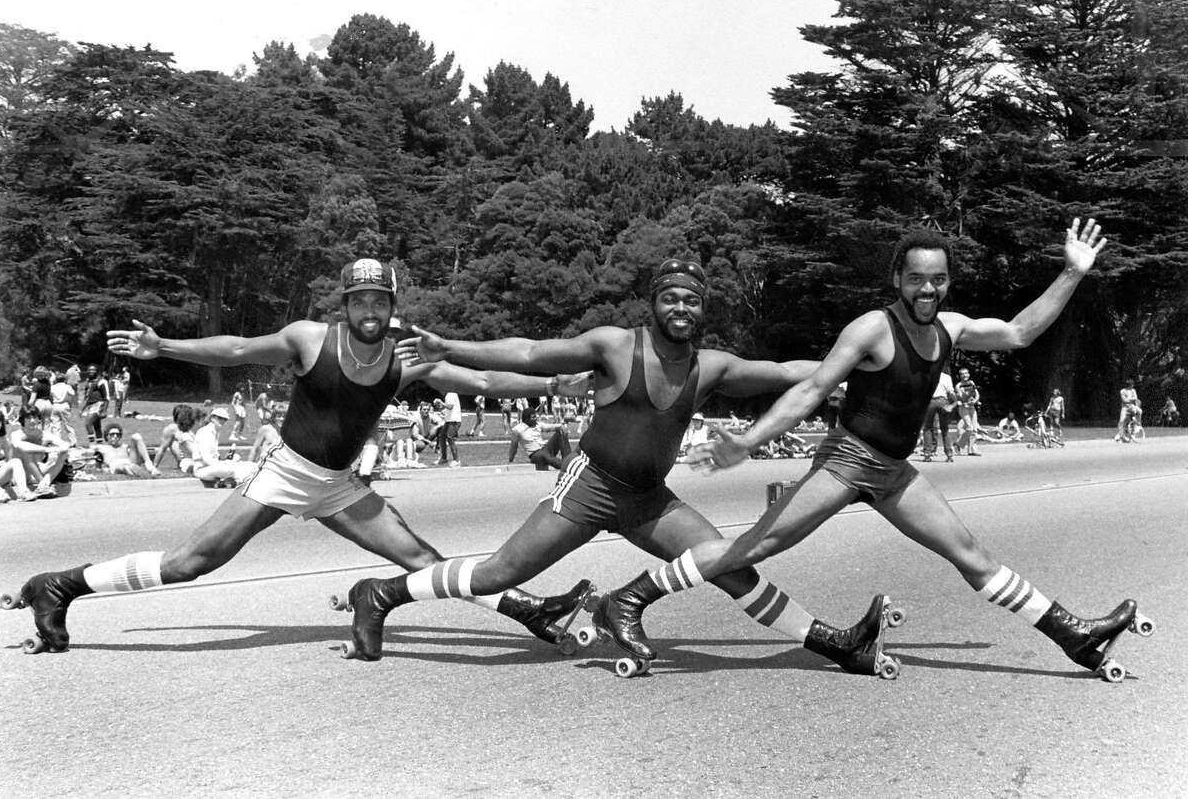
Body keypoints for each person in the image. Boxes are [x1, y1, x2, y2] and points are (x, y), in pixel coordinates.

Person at [596, 219, 1143, 680]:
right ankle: (629, 598)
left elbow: (1020, 332)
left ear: (948, 281)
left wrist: (1072, 272)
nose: (926, 290)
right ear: (898, 280)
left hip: (895, 471)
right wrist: (748, 442)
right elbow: (810, 390)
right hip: (846, 460)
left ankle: (1075, 638)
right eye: (915, 280)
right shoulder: (872, 329)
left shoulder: (951, 329)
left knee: (973, 557)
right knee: (754, 548)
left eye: (937, 280)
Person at [14, 258, 591, 655]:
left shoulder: (407, 355)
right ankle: (61, 585)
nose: (370, 307)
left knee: (422, 559)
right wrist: (163, 345)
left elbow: (486, 379)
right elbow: (237, 348)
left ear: (392, 304)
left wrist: (552, 386)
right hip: (286, 471)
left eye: (380, 299)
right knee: (189, 563)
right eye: (359, 298)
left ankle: (526, 611)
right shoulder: (310, 338)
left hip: (341, 485)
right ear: (346, 303)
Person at [337, 258, 889, 671]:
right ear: (654, 302)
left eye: (691, 301)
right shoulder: (614, 346)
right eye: (670, 298)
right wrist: (450, 347)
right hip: (589, 487)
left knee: (729, 564)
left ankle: (834, 644)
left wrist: (858, 362)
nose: (681, 309)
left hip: (650, 499)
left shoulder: (713, 366)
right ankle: (381, 594)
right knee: (499, 574)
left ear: (703, 308)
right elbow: (530, 352)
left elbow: (786, 370)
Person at [9, 404, 68, 497]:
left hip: (39, 471)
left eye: (35, 417)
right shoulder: (16, 435)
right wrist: (47, 449)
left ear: (38, 419)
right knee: (26, 452)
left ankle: (43, 484)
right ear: (23, 419)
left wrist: (61, 449)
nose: (32, 421)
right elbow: (21, 446)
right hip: (21, 475)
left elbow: (65, 444)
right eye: (28, 418)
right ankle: (43, 484)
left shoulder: (44, 435)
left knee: (62, 454)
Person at [191, 407, 258, 487]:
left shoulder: (215, 433)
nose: (222, 421)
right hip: (202, 469)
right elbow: (207, 459)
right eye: (220, 418)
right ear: (212, 418)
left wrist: (225, 460)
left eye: (224, 419)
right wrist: (224, 463)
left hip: (214, 467)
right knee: (231, 469)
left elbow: (215, 456)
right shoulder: (204, 432)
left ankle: (228, 481)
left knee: (252, 465)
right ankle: (237, 481)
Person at [0, 405, 36, 503]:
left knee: (16, 461)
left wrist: (2, 462)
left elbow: (9, 459)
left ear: (2, 423)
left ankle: (24, 492)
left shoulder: (3, 439)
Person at [96, 421, 161, 478]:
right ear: (107, 436)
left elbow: (137, 456)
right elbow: (98, 467)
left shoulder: (125, 447)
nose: (115, 436)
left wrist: (145, 458)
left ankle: (149, 466)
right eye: (112, 434)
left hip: (130, 462)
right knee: (124, 467)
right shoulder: (102, 449)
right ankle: (144, 475)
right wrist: (103, 469)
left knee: (136, 436)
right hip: (116, 465)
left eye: (117, 434)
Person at [152, 404, 201, 473]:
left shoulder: (192, 427)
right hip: (190, 459)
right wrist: (153, 467)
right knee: (173, 442)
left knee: (174, 442)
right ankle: (184, 464)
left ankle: (186, 464)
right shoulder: (174, 429)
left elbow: (162, 449)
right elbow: (162, 449)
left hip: (196, 457)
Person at [921, 368, 956, 462]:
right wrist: (953, 404)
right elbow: (951, 392)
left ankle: (927, 453)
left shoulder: (926, 375)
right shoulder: (946, 377)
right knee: (945, 428)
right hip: (943, 401)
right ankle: (949, 454)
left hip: (930, 401)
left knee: (927, 428)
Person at [953, 367, 981, 456]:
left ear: (968, 374)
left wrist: (975, 400)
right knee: (969, 428)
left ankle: (971, 450)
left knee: (974, 429)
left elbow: (977, 394)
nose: (964, 375)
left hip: (972, 408)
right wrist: (966, 397)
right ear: (960, 376)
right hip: (963, 408)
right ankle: (958, 444)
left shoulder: (972, 383)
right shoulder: (958, 386)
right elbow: (962, 397)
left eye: (966, 373)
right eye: (962, 374)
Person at [79, 364, 110, 443]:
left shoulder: (101, 381)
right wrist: (82, 409)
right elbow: (88, 398)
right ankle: (99, 443)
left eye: (93, 370)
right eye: (89, 370)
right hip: (91, 405)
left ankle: (92, 443)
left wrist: (104, 411)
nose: (91, 371)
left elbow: (106, 397)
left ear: (97, 371)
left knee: (88, 423)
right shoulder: (88, 381)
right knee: (97, 426)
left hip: (98, 404)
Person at [48, 371, 78, 446]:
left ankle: (57, 443)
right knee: (68, 424)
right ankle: (73, 442)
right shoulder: (67, 386)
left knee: (56, 425)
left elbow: (50, 395)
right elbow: (73, 393)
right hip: (64, 405)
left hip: (55, 405)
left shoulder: (53, 387)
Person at [438, 391, 461, 467]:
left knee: (450, 438)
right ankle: (444, 458)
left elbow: (450, 407)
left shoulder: (451, 394)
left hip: (454, 420)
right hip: (449, 420)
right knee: (442, 436)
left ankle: (456, 460)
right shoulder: (449, 394)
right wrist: (441, 405)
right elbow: (448, 407)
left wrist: (441, 402)